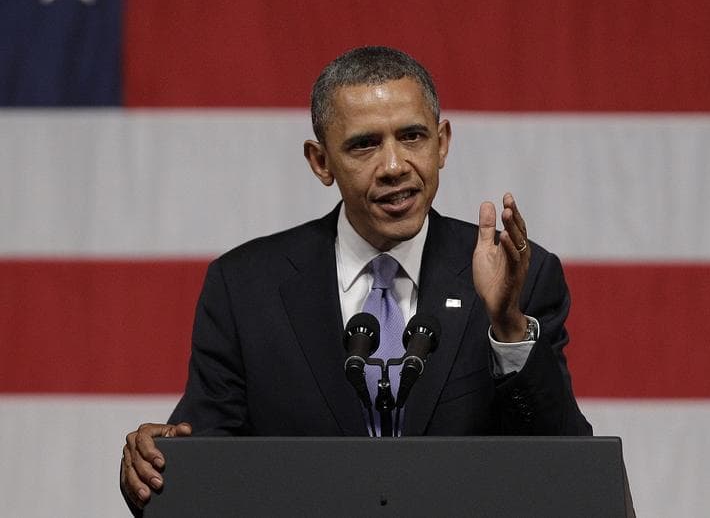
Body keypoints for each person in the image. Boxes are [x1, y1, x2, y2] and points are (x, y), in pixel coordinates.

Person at [120, 46, 592, 511]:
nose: (393, 166)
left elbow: (571, 474)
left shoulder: (518, 276)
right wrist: (154, 466)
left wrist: (508, 326)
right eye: (364, 144)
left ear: (442, 142)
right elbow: (200, 473)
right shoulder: (245, 287)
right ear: (320, 161)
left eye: (412, 137)